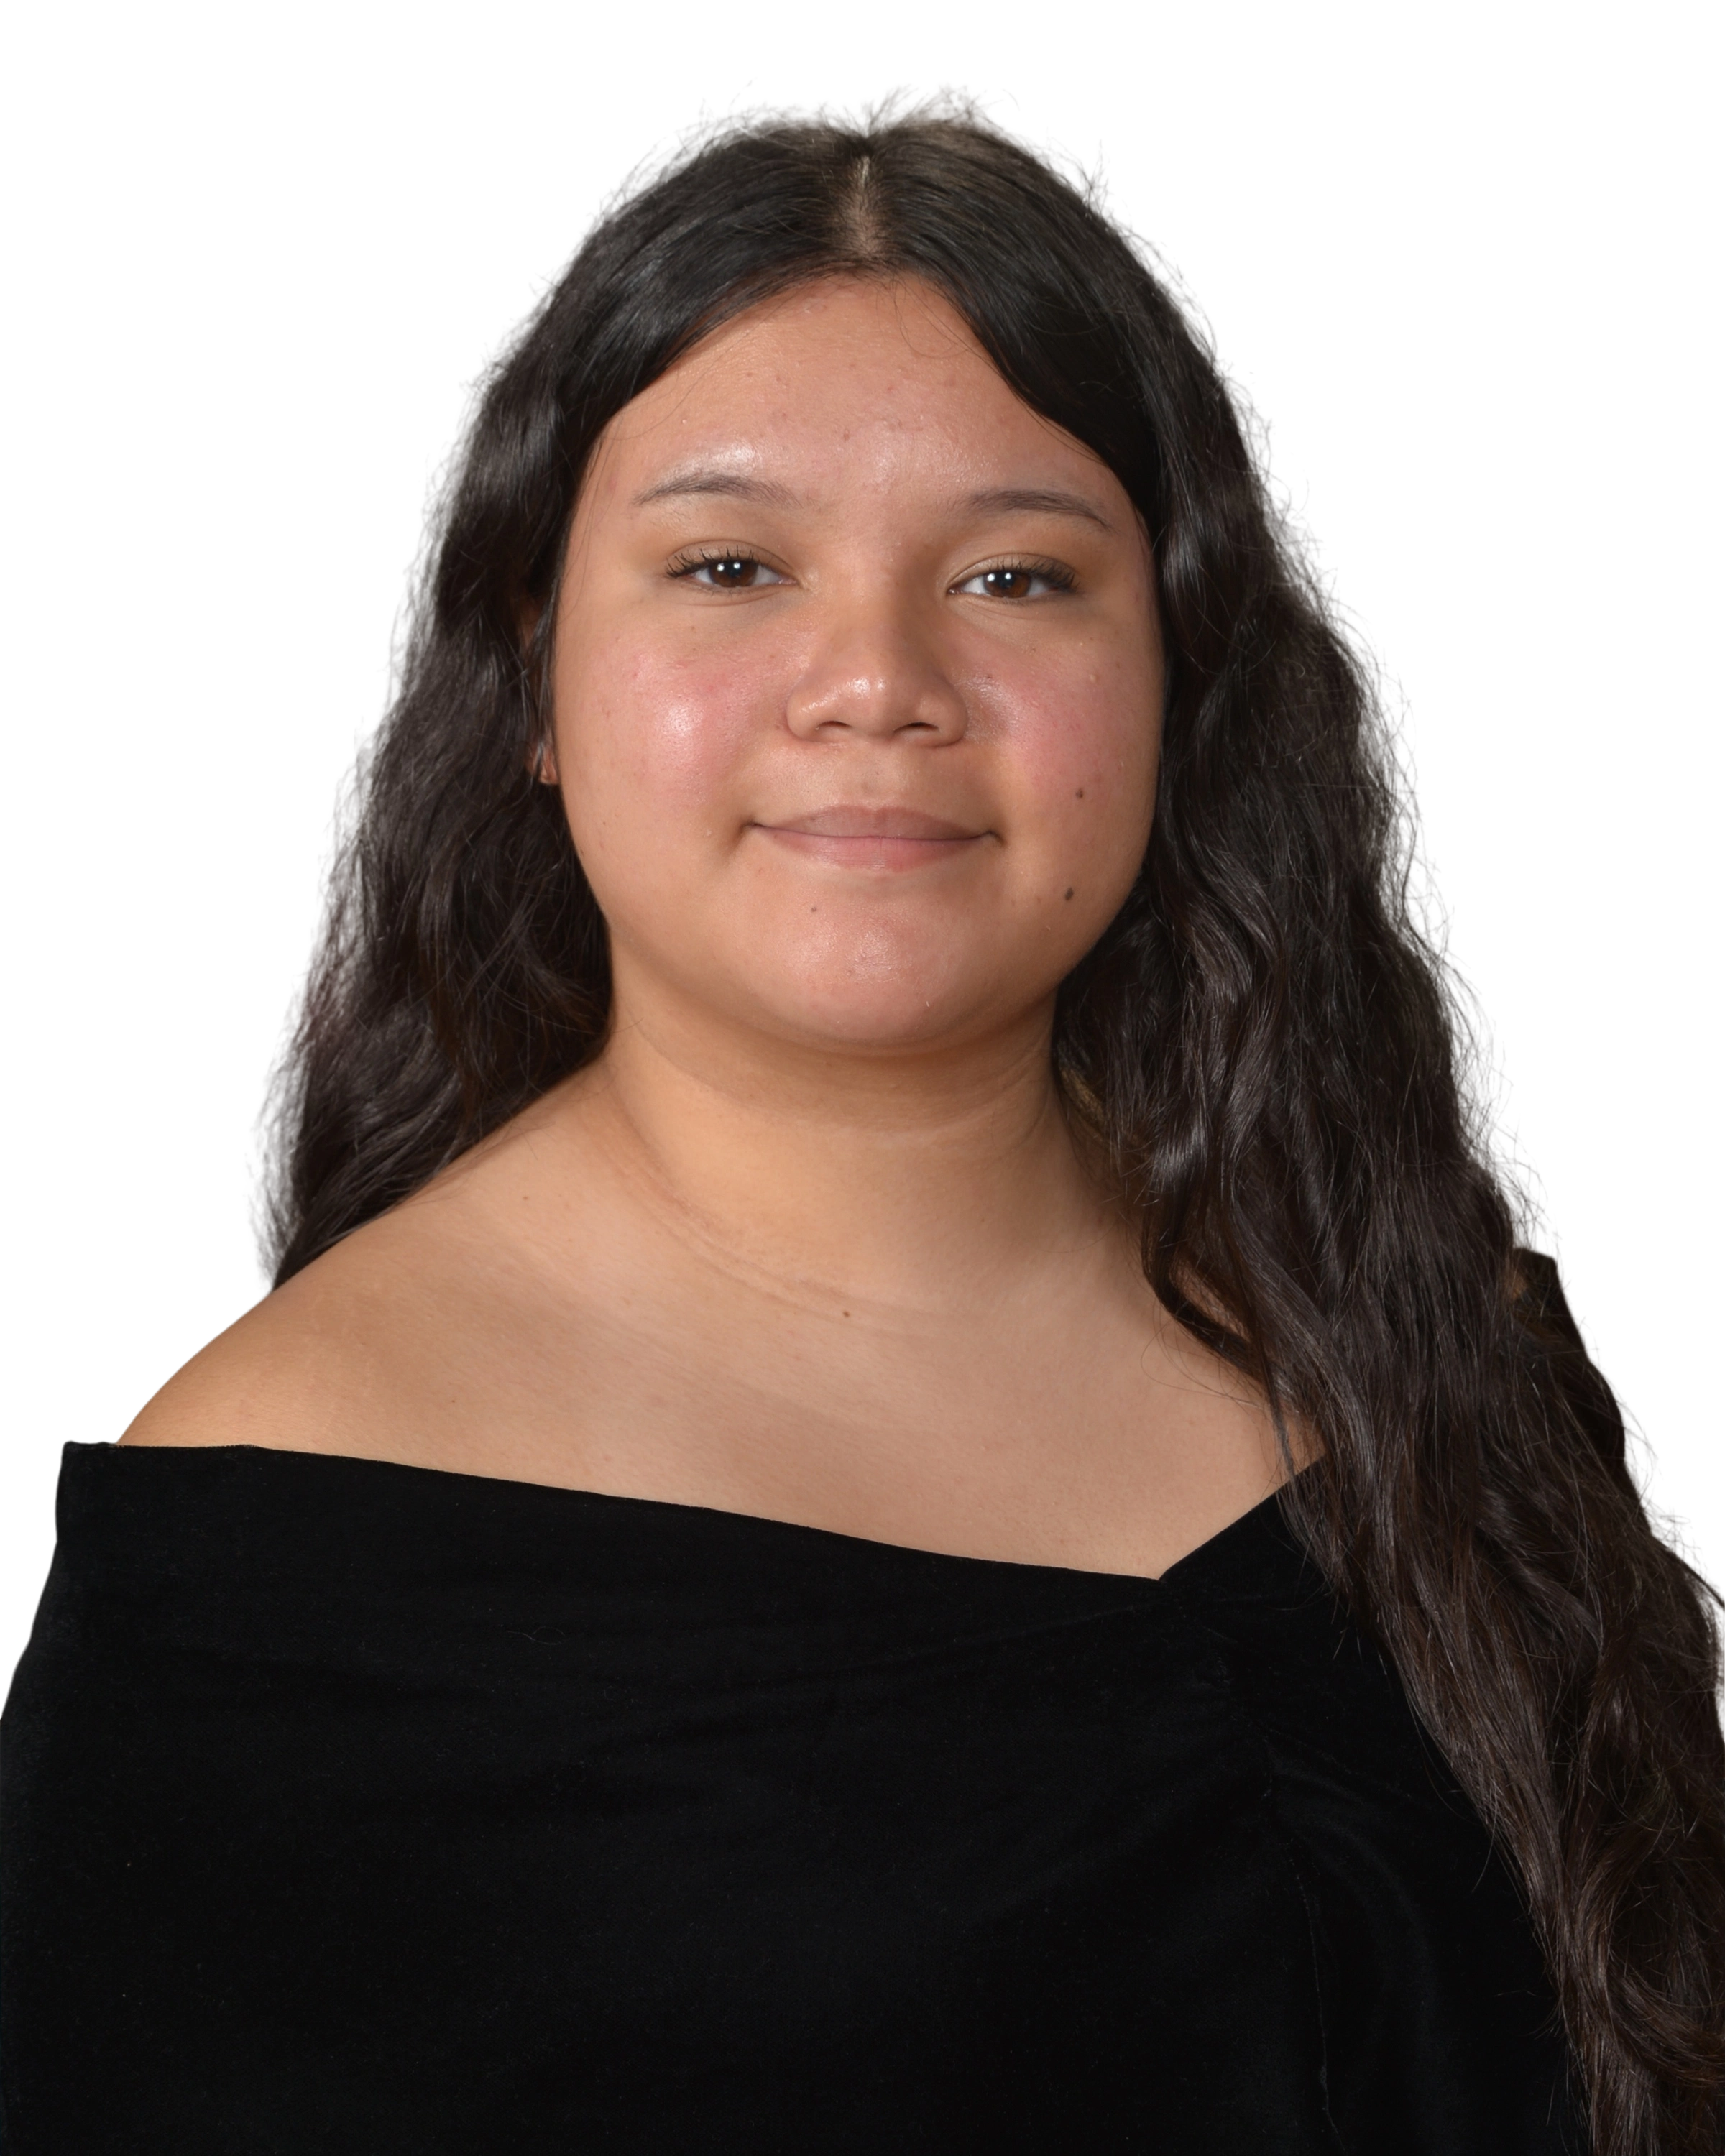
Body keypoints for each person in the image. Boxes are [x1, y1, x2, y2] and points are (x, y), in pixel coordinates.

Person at [2, 81, 1719, 2155]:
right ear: (534, 676)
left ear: (1179, 680)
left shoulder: (1405, 1332)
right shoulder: (271, 1557)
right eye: (730, 563)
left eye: (1017, 578)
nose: (878, 680)